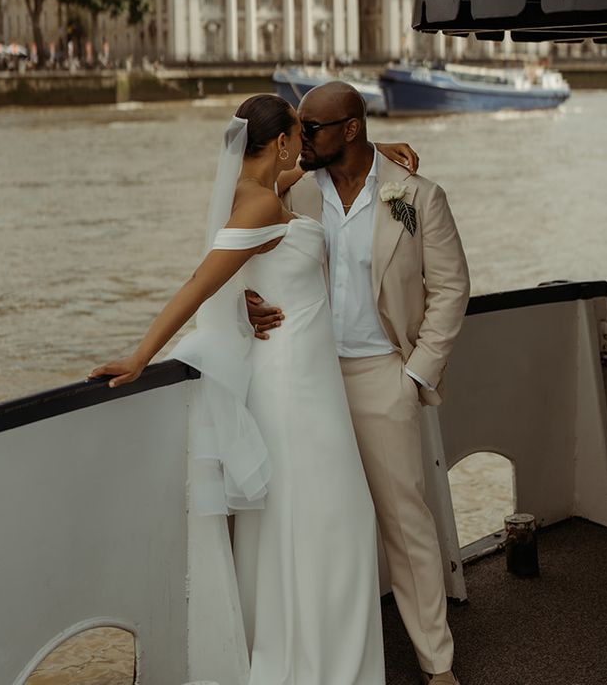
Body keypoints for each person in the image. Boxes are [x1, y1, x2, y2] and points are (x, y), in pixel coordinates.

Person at [89, 95, 420, 684]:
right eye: (300, 132)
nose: (306, 143)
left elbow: (297, 179)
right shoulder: (262, 205)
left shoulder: (257, 189)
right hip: (295, 389)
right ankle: (321, 666)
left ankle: (311, 655)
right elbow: (200, 282)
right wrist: (142, 355)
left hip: (304, 378)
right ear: (283, 140)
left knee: (310, 522)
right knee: (334, 519)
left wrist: (375, 154)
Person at [247, 81, 470, 685]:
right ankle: (329, 655)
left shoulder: (417, 196)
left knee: (405, 521)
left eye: (311, 129)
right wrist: (245, 299)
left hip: (382, 376)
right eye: (299, 128)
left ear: (350, 129)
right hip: (307, 377)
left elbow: (451, 289)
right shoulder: (294, 191)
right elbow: (241, 239)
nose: (300, 139)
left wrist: (414, 376)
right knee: (318, 519)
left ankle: (437, 663)